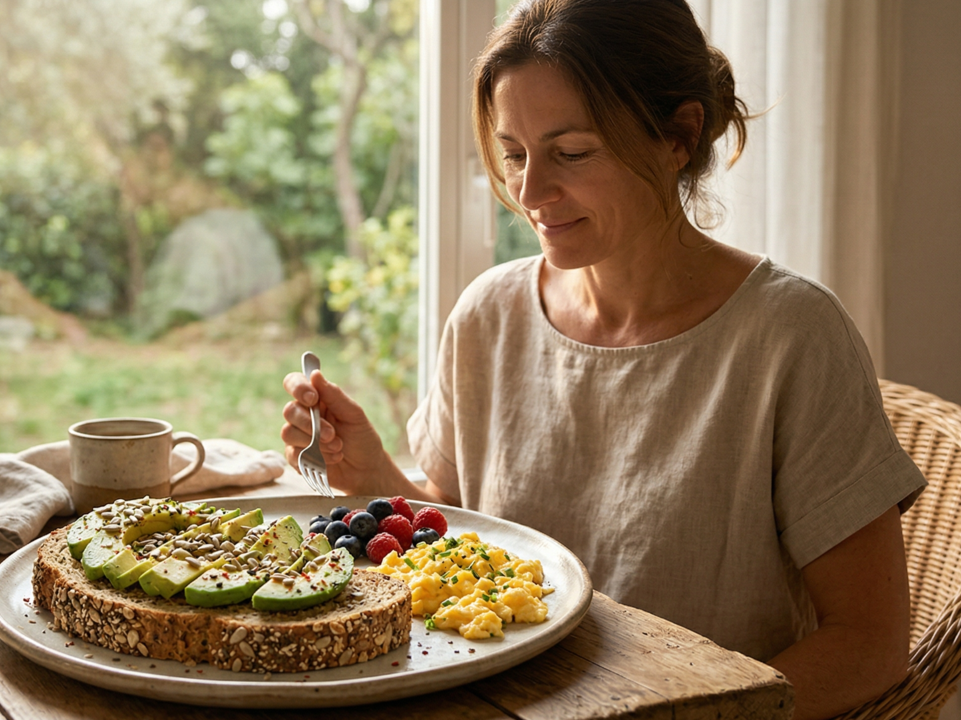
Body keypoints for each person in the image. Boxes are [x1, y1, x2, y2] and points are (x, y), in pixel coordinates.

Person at [280, 1, 928, 718]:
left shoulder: (791, 336)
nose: (529, 194)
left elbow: (869, 643)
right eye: (516, 153)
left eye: (573, 152)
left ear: (679, 136)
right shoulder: (488, 315)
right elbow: (466, 545)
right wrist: (371, 477)